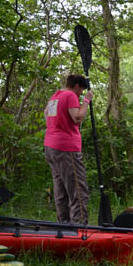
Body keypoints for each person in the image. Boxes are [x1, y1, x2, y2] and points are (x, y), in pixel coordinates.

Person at [43, 74, 94, 225]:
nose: (80, 93)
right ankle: (79, 227)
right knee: (78, 189)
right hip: (66, 148)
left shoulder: (55, 96)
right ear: (77, 86)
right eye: (81, 90)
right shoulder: (70, 95)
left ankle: (63, 225)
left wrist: (57, 127)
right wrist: (86, 101)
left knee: (61, 190)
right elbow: (78, 117)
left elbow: (46, 114)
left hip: (51, 146)